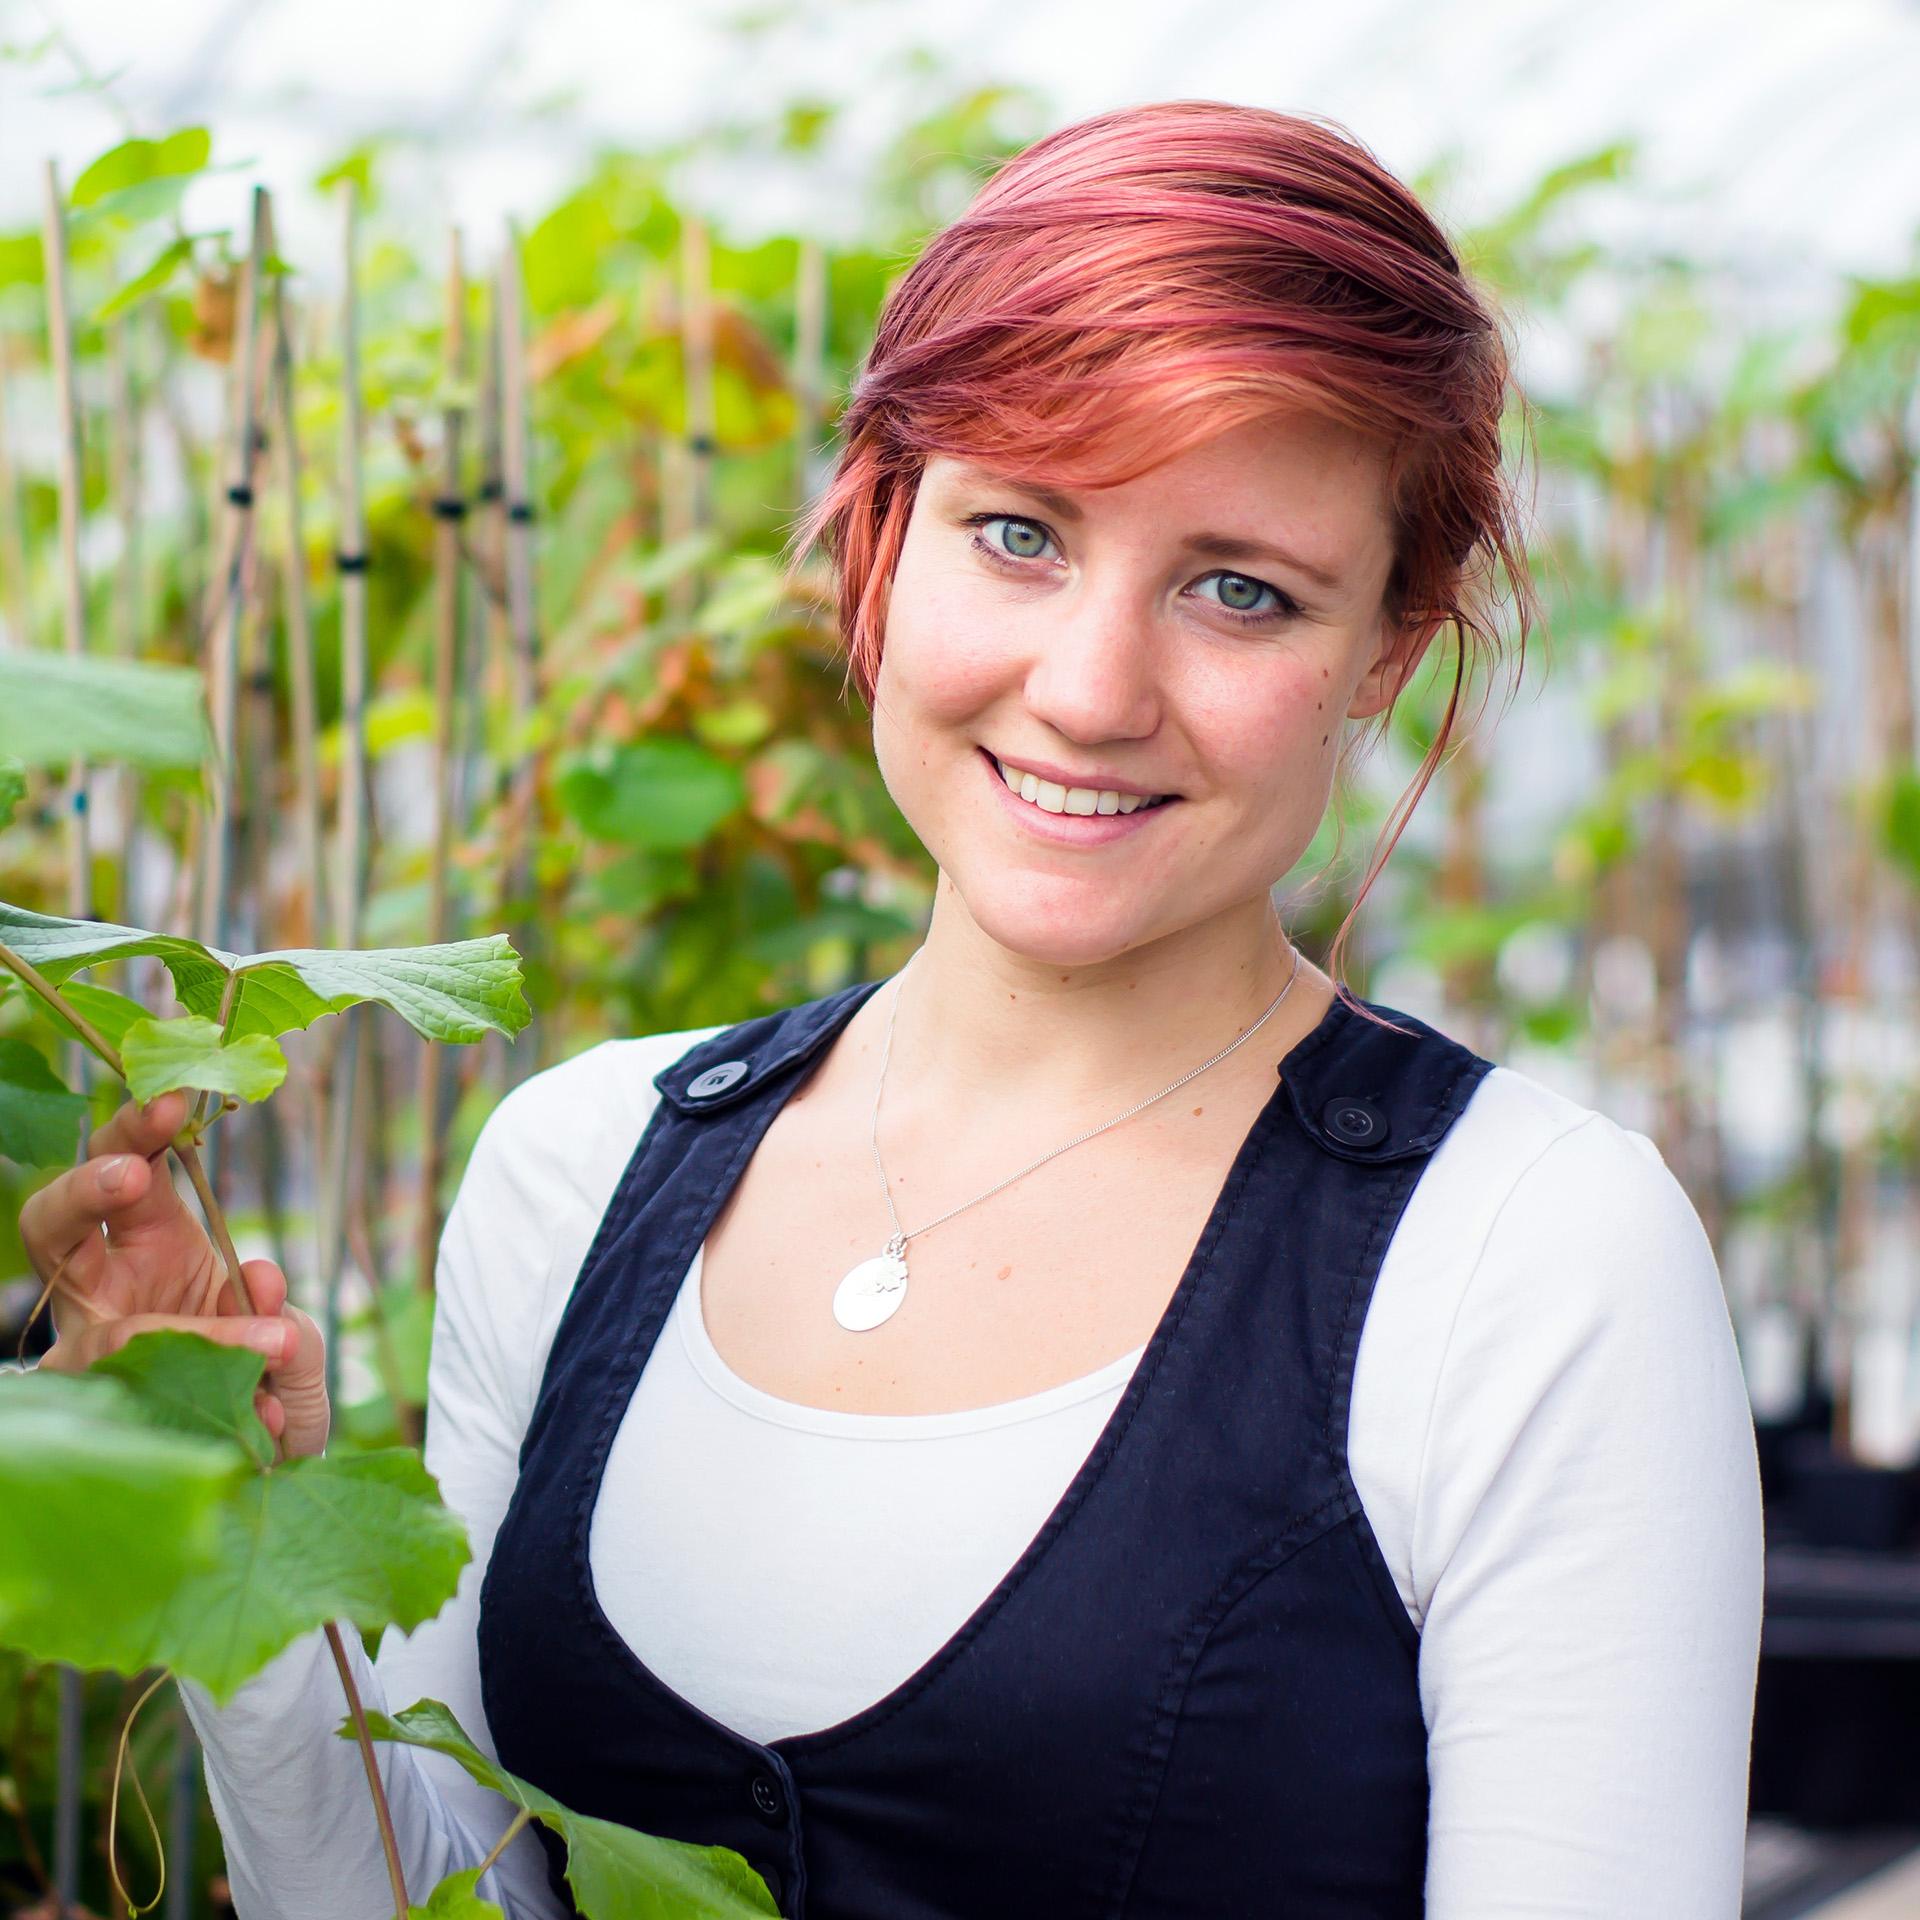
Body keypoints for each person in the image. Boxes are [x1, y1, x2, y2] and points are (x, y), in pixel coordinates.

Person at [22, 99, 1764, 1918]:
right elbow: (424, 1896)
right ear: (881, 532)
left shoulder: (1528, 1267)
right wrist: (228, 1515)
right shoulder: (579, 1170)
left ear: (1384, 655)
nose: (1090, 690)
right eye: (1019, 533)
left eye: (1239, 591)